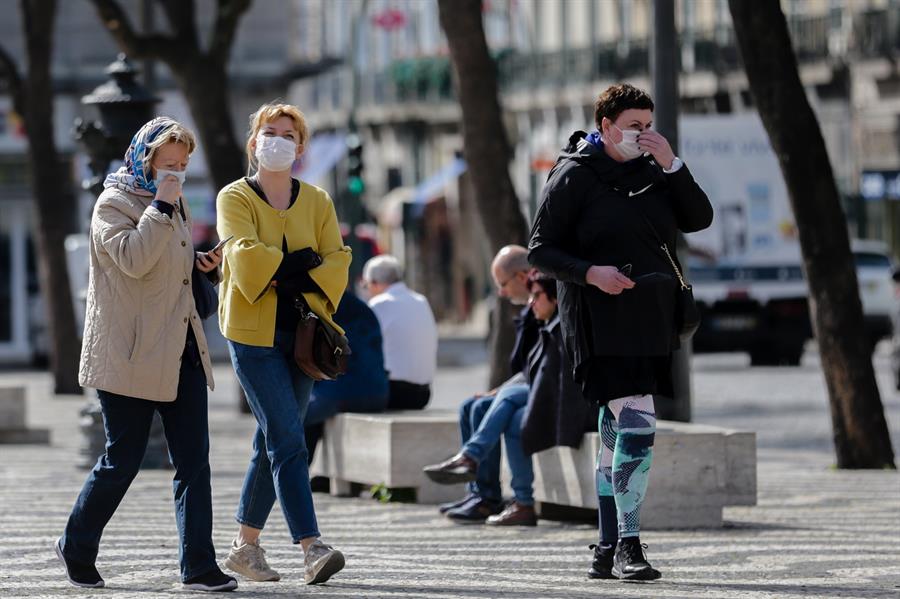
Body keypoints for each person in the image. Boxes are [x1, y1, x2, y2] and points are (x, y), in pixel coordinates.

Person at [528, 83, 713, 581]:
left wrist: (672, 164)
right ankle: (630, 542)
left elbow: (698, 218)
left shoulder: (655, 172)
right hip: (596, 317)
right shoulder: (573, 174)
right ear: (606, 126)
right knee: (637, 420)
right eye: (634, 126)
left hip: (650, 316)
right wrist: (592, 273)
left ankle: (607, 545)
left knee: (616, 432)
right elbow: (540, 251)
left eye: (648, 125)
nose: (642, 134)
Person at [56, 117, 236, 592]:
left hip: (180, 350)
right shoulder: (112, 204)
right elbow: (134, 260)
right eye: (167, 165)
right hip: (129, 354)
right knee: (123, 460)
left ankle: (198, 566)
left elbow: (166, 277)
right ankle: (75, 545)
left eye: (182, 165)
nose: (175, 173)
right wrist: (160, 204)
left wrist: (204, 270)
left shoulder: (170, 207)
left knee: (194, 461)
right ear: (145, 160)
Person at [216, 102, 351, 585]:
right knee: (289, 438)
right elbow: (246, 259)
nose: (277, 140)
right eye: (269, 132)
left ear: (300, 147)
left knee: (271, 438)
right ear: (254, 142)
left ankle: (243, 549)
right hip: (252, 337)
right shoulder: (234, 197)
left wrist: (288, 270)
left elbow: (338, 260)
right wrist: (302, 263)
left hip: (305, 337)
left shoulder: (317, 200)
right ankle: (312, 546)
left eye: (288, 134)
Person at [424, 274, 589, 527]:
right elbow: (533, 376)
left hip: (569, 406)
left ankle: (471, 457)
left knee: (510, 397)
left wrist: (504, 391)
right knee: (512, 419)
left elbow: (558, 385)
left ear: (555, 299)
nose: (531, 302)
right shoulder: (548, 325)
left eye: (537, 296)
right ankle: (519, 502)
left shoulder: (564, 329)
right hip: (548, 399)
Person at [435, 245, 540, 523]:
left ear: (521, 276)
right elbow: (532, 367)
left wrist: (503, 390)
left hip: (555, 392)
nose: (502, 293)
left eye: (503, 285)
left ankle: (473, 463)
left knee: (502, 405)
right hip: (536, 386)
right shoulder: (535, 306)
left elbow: (549, 367)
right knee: (473, 404)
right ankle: (481, 494)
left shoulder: (546, 304)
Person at [304, 289, 390, 463]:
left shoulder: (325, 307)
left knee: (295, 419)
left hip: (344, 392)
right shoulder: (359, 307)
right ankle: (308, 476)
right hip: (379, 391)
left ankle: (295, 479)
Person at [362, 255, 438, 410]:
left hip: (393, 393)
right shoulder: (421, 301)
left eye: (366, 286)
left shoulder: (378, 304)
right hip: (424, 394)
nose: (367, 291)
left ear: (375, 283)